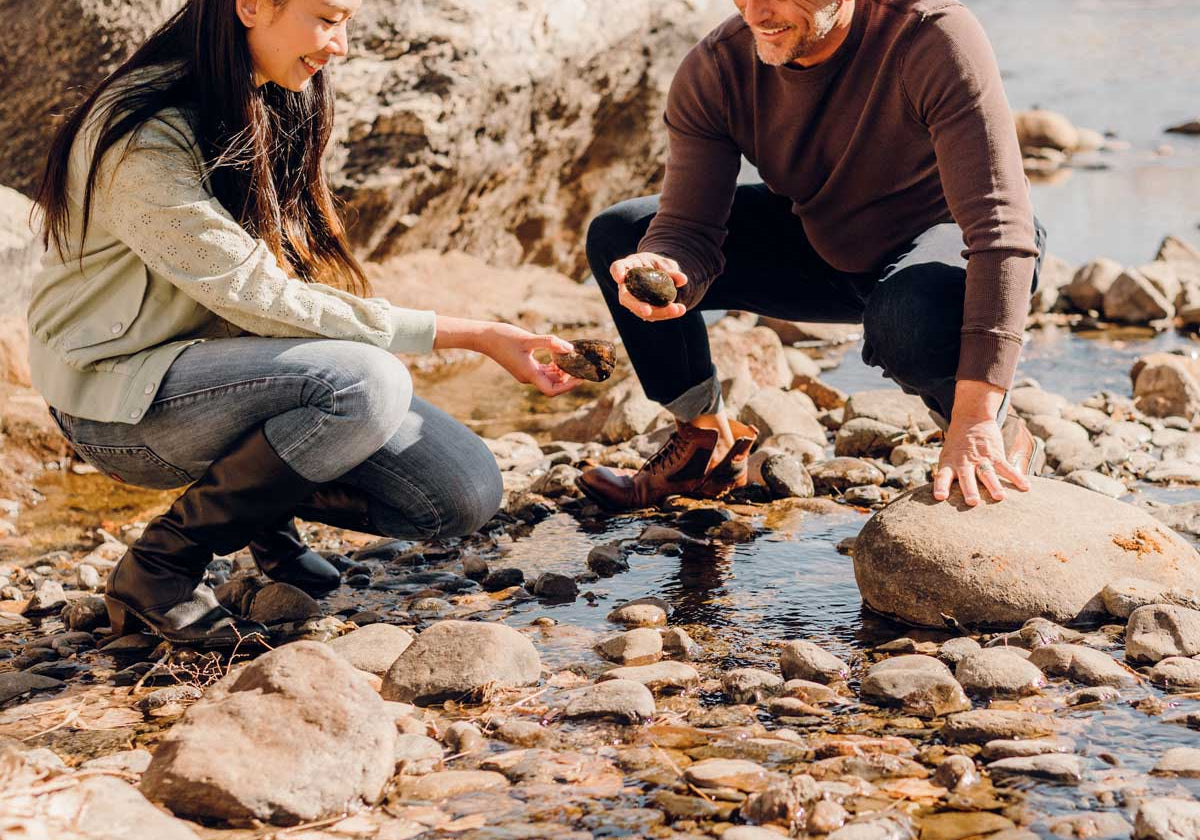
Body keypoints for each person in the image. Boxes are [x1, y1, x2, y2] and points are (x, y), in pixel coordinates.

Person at [27, 0, 579, 648]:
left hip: (225, 378)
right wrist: (474, 334)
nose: (339, 46)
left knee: (463, 492)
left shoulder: (274, 95)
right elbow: (254, 294)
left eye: (346, 22)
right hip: (117, 401)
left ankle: (263, 516)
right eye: (326, 18)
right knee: (363, 383)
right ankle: (161, 567)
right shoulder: (142, 134)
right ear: (253, 7)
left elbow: (286, 275)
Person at [577, 0, 1047, 512]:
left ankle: (997, 432)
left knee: (905, 319)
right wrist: (666, 265)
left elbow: (1000, 232)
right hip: (827, 242)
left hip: (949, 241)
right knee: (624, 236)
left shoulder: (931, 37)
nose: (757, 11)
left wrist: (976, 417)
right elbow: (688, 227)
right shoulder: (718, 67)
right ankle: (705, 442)